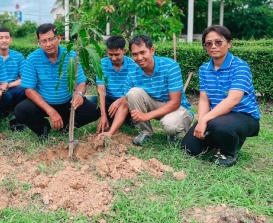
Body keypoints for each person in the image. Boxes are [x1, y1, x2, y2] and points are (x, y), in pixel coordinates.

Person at [181, 25, 260, 167]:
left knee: (220, 125)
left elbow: (233, 100)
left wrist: (205, 119)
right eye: (208, 43)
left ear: (229, 43)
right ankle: (219, 139)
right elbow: (204, 99)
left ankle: (229, 151)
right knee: (189, 148)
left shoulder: (240, 66)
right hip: (218, 116)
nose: (213, 46)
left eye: (218, 42)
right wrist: (201, 122)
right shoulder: (204, 69)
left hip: (244, 116)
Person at [98, 35, 192, 145]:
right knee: (132, 93)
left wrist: (146, 115)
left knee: (170, 125)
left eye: (143, 52)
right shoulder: (133, 72)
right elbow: (124, 106)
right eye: (135, 54)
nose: (139, 58)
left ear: (152, 50)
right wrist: (110, 132)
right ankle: (146, 131)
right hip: (156, 105)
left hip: (177, 108)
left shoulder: (170, 66)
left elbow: (175, 102)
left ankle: (172, 134)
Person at [13, 23, 100, 139]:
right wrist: (50, 111)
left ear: (58, 38)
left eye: (51, 39)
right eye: (43, 41)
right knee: (20, 110)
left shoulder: (71, 56)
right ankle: (43, 128)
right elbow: (29, 90)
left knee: (94, 111)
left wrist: (79, 94)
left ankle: (66, 127)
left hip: (67, 102)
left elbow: (81, 82)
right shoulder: (33, 59)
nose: (48, 44)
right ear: (39, 43)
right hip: (43, 103)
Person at [95, 35, 138, 133]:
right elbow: (101, 91)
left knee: (134, 99)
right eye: (110, 54)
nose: (113, 58)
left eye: (117, 54)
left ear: (124, 51)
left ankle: (129, 117)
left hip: (126, 99)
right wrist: (103, 115)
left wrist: (120, 101)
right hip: (109, 99)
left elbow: (135, 90)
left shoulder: (133, 65)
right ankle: (109, 117)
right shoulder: (101, 64)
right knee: (92, 102)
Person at [0, 27, 26, 110]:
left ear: (11, 39)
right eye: (1, 38)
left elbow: (24, 78)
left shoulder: (18, 56)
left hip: (12, 88)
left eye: (7, 37)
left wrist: (8, 85)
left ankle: (15, 112)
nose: (4, 40)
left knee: (27, 88)